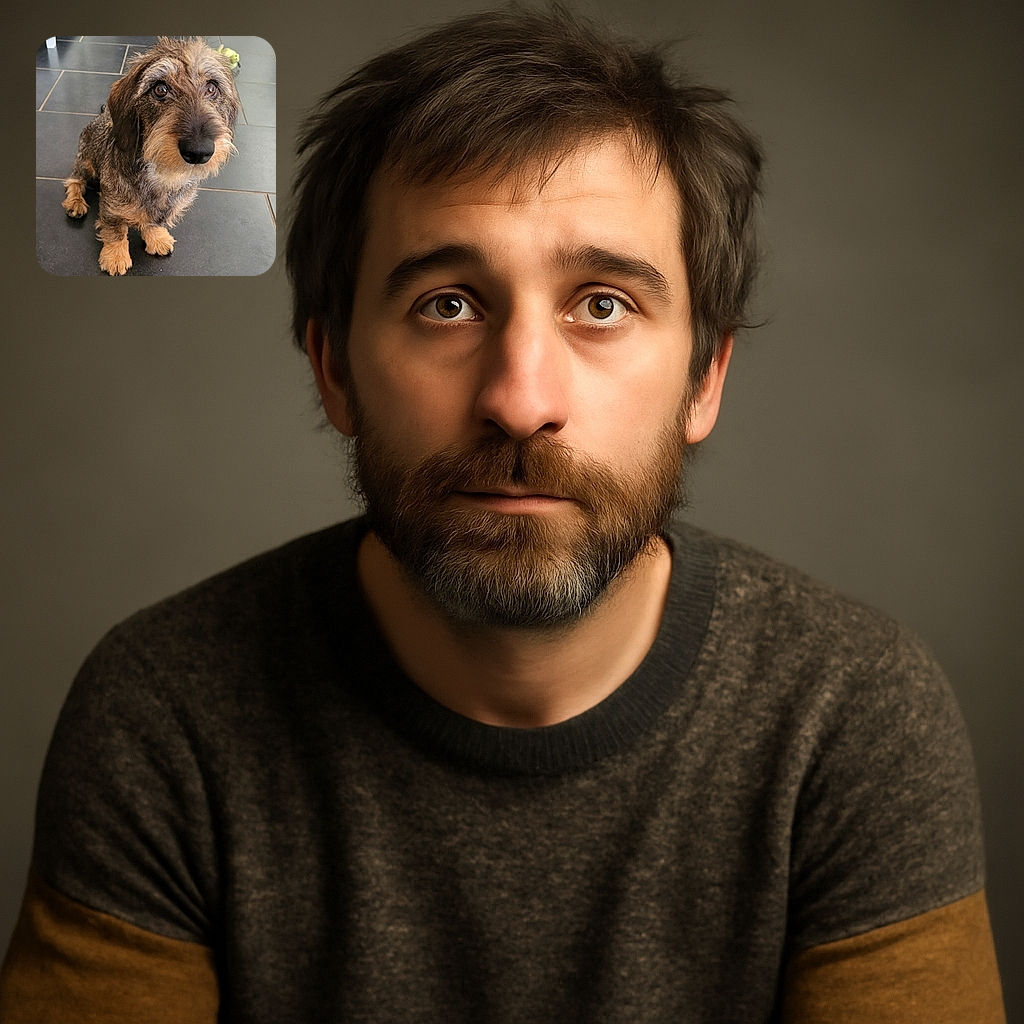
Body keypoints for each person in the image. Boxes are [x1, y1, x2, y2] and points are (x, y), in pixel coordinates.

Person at [0, 7, 1005, 1021]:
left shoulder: (850, 717)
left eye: (602, 303)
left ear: (704, 378)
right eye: (447, 303)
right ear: (333, 369)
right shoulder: (165, 715)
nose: (520, 401)